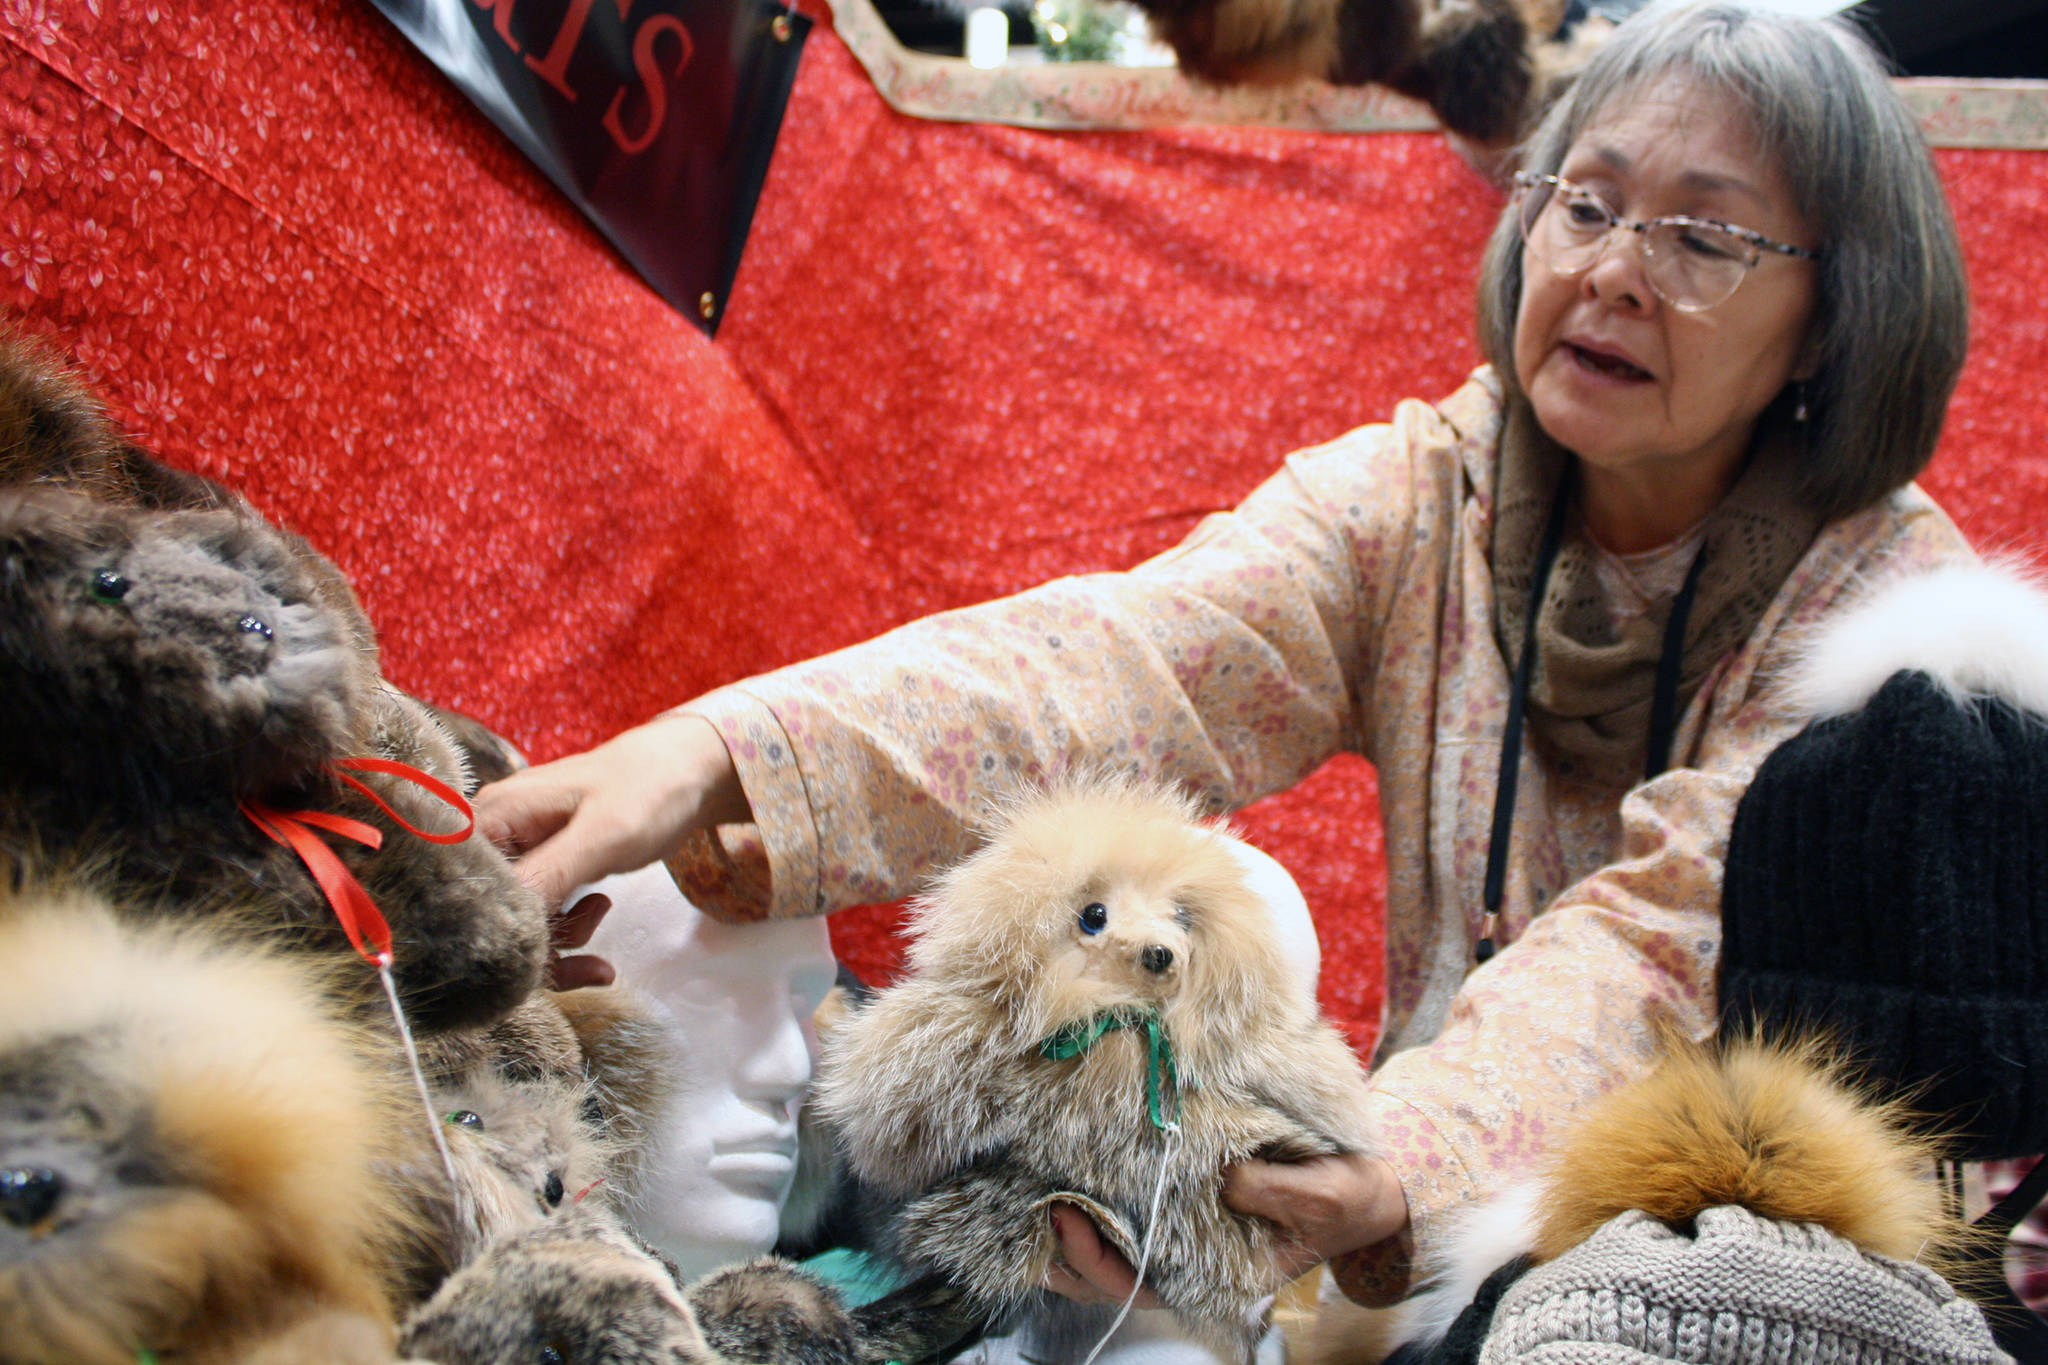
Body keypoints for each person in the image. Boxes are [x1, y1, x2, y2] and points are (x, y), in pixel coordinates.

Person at [476, 0, 1971, 1312]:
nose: (1616, 271)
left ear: (1834, 320)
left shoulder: (1887, 622)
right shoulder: (1423, 496)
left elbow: (1657, 948)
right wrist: (721, 752)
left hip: (1755, 1271)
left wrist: (1398, 1158)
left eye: (1704, 235)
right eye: (1585, 203)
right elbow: (1119, 666)